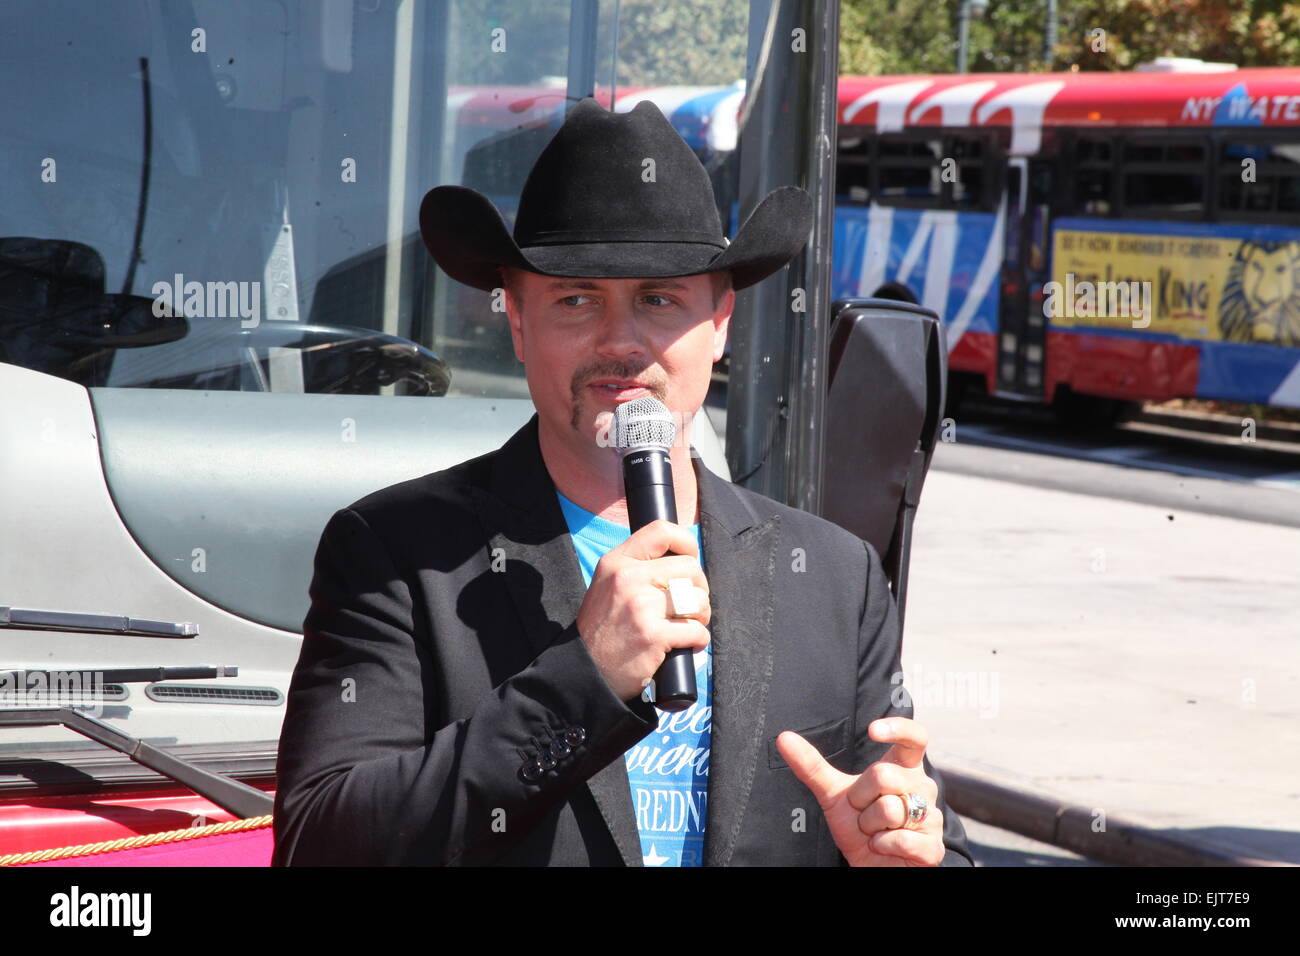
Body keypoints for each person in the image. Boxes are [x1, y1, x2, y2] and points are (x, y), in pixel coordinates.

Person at [272, 97, 974, 866]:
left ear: (721, 322)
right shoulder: (399, 552)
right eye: (576, 299)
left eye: (659, 299)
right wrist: (583, 679)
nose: (621, 342)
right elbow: (320, 842)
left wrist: (895, 848)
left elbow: (926, 833)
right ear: (516, 323)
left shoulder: (835, 575)